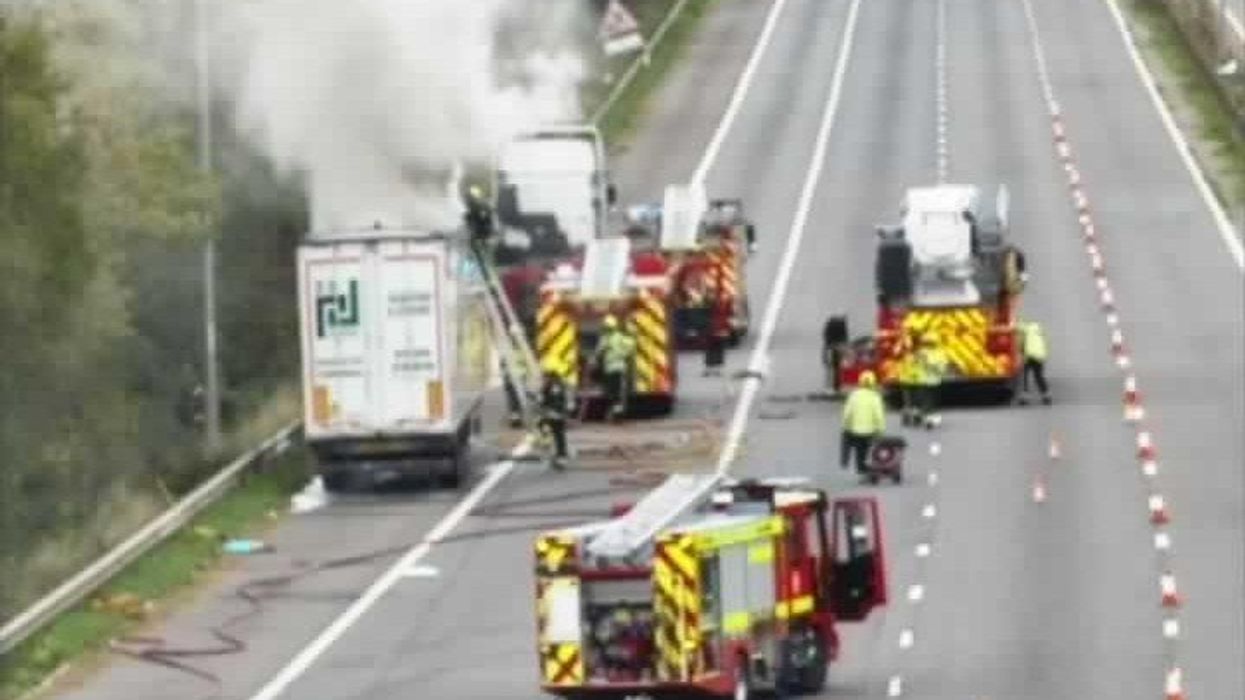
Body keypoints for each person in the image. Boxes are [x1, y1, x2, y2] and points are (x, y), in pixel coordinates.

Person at [840, 371, 886, 476]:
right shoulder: (875, 397)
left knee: (859, 448)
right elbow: (879, 415)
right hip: (871, 431)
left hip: (856, 431)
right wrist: (881, 429)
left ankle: (850, 463)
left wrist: (846, 426)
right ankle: (873, 465)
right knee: (871, 447)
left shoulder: (853, 396)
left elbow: (847, 413)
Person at [596, 314, 636, 420]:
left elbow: (599, 351)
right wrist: (623, 354)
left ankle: (615, 412)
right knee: (618, 391)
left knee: (611, 391)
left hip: (610, 369)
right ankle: (618, 411)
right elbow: (631, 346)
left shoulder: (606, 339)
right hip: (620, 367)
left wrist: (597, 360)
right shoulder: (620, 337)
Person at [538, 364, 572, 469]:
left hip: (557, 413)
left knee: (558, 434)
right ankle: (557, 454)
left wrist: (554, 412)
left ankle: (561, 457)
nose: (543, 379)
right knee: (544, 425)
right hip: (552, 413)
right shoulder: (549, 386)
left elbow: (557, 401)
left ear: (551, 377)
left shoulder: (556, 386)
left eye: (545, 377)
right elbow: (543, 400)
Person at [912, 333, 948, 429]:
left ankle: (922, 416)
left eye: (929, 343)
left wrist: (930, 364)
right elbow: (914, 363)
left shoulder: (939, 353)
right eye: (927, 343)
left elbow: (942, 367)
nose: (928, 345)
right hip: (926, 380)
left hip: (931, 380)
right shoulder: (922, 353)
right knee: (927, 400)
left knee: (928, 400)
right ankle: (926, 418)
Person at [1018, 320, 1051, 405]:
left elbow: (1017, 327)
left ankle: (1025, 397)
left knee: (1025, 375)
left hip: (1030, 355)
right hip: (1040, 356)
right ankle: (1046, 395)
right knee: (1039, 376)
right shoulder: (1039, 332)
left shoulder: (1028, 329)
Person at [703, 291, 730, 377]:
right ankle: (714, 369)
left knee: (714, 348)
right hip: (717, 328)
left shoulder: (717, 305)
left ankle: (711, 369)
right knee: (717, 348)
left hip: (715, 328)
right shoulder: (723, 304)